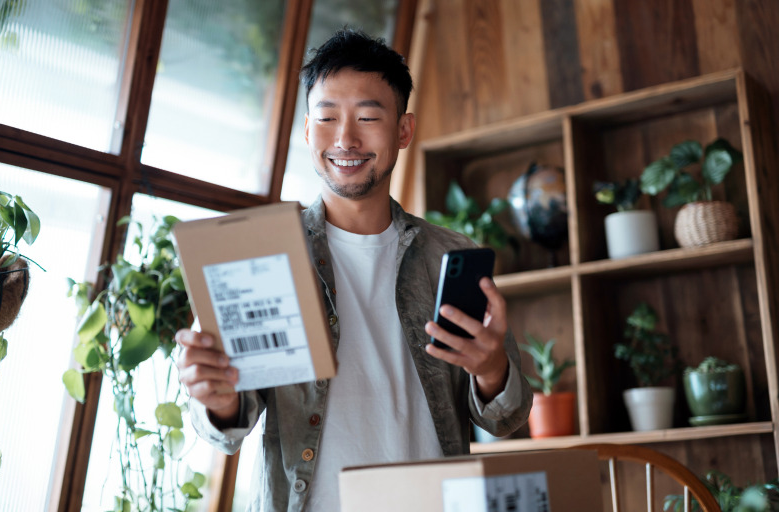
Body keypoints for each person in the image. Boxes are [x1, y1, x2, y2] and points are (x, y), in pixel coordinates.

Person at [175, 29, 532, 512]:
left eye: (367, 117)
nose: (345, 138)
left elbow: (506, 418)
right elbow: (224, 429)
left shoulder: (450, 255)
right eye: (326, 118)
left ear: (403, 131)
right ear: (306, 130)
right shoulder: (258, 255)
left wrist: (492, 370)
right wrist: (215, 398)